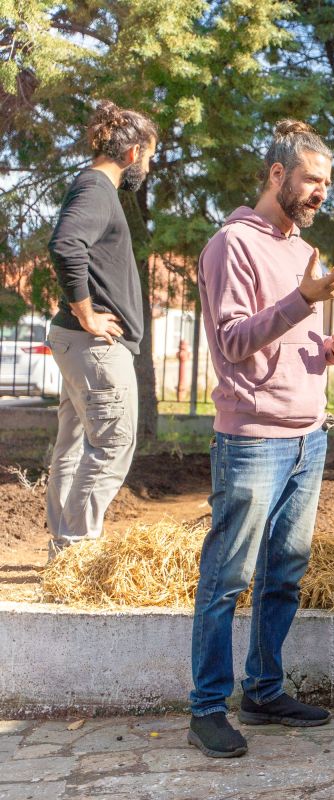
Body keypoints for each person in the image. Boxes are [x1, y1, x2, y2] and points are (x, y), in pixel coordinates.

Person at [188, 120, 334, 759]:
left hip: (309, 438)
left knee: (283, 575)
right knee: (227, 578)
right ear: (277, 174)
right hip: (253, 440)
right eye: (312, 180)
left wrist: (328, 348)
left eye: (327, 183)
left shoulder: (301, 251)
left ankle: (263, 690)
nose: (321, 193)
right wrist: (304, 299)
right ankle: (207, 708)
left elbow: (285, 341)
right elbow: (233, 340)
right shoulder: (231, 244)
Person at [45, 101, 158, 560]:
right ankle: (75, 555)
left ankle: (63, 554)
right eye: (149, 156)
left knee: (73, 447)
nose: (148, 166)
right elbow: (65, 245)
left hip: (81, 345)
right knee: (112, 444)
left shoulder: (92, 187)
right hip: (94, 345)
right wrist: (88, 313)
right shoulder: (96, 187)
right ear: (132, 153)